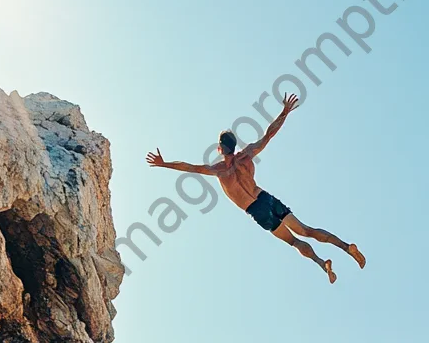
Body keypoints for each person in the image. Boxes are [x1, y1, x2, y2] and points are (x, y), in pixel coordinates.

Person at [145, 94, 365, 284]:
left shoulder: (220, 170)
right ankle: (347, 248)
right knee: (306, 230)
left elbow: (191, 168)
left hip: (256, 210)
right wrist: (285, 112)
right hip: (266, 198)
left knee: (294, 241)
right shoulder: (247, 156)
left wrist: (163, 163)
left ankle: (321, 263)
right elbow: (269, 134)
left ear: (221, 148)